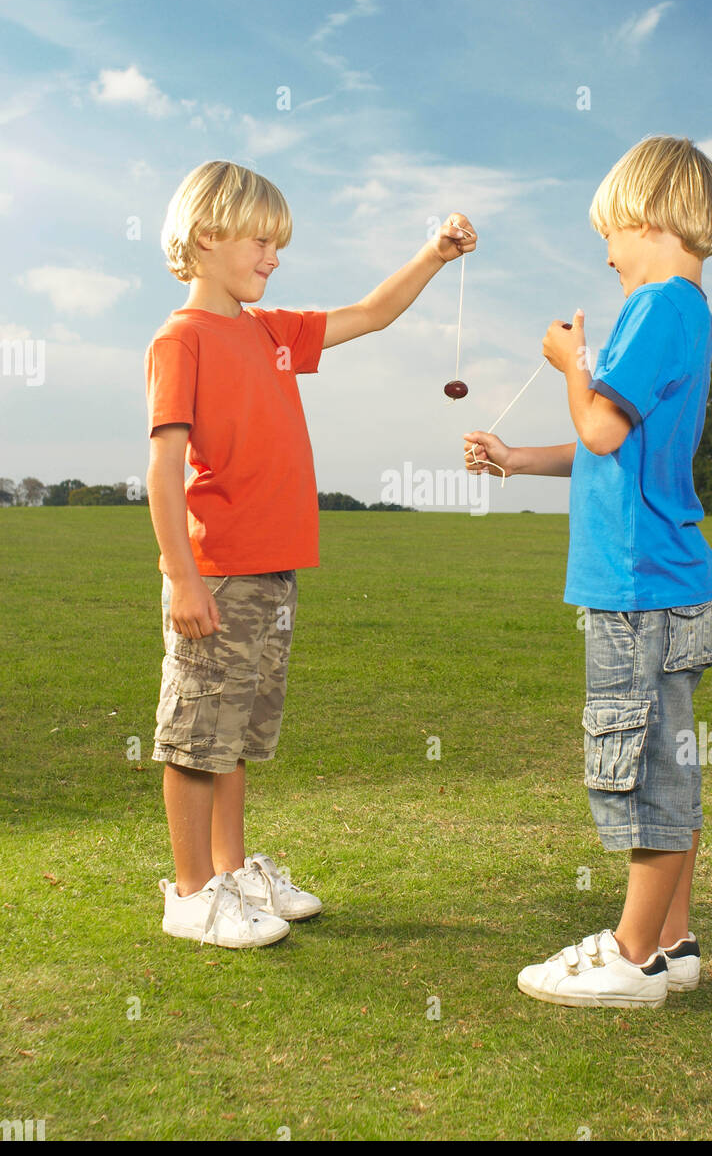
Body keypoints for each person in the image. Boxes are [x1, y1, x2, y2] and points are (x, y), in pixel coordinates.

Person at [146, 159, 476, 947]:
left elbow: (369, 313)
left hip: (273, 572)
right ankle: (192, 895)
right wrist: (181, 576)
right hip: (217, 573)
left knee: (236, 734)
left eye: (277, 244)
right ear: (205, 235)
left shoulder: (271, 333)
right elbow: (161, 467)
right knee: (197, 734)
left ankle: (231, 873)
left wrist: (434, 254)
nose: (273, 256)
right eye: (261, 241)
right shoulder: (180, 338)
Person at [463, 134, 712, 1007]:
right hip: (669, 579)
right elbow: (609, 452)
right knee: (672, 759)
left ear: (647, 218)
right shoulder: (685, 312)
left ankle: (628, 954)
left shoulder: (658, 308)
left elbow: (602, 428)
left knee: (645, 764)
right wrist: (514, 461)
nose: (607, 256)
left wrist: (570, 362)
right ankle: (672, 943)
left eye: (607, 236)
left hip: (638, 586)